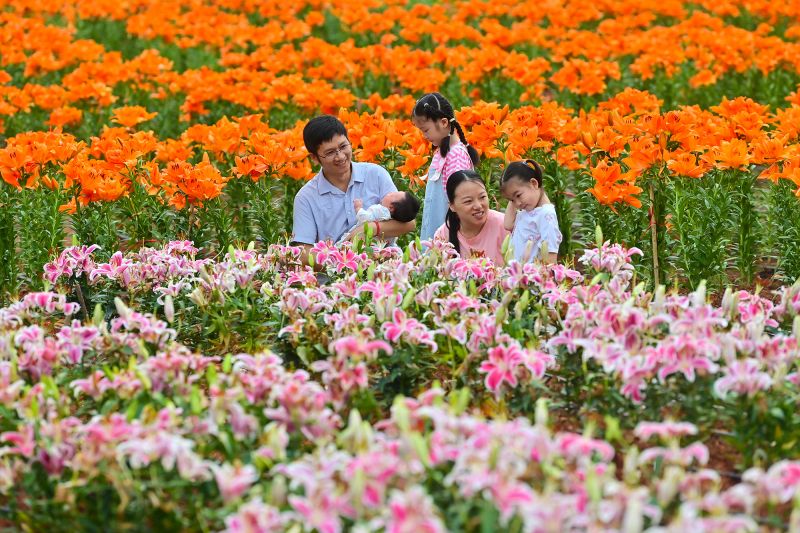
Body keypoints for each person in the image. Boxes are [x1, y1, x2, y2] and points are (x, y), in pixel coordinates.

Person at [291, 115, 416, 262]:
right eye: (330, 152)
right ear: (314, 158)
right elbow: (303, 253)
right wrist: (342, 259)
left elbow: (408, 223)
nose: (340, 156)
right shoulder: (305, 198)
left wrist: (367, 229)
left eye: (343, 146)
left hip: (383, 269)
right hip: (335, 278)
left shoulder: (376, 174)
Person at [411, 93, 480, 241]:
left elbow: (461, 200)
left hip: (450, 233)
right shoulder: (444, 151)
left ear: (443, 123)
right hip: (439, 227)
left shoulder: (456, 156)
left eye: (426, 130)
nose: (424, 135)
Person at [434, 170, 509, 265]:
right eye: (468, 201)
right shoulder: (443, 236)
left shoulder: (505, 226)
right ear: (452, 206)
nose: (478, 206)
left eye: (482, 197)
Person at [501, 160, 561, 264]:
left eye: (518, 195)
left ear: (534, 183)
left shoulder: (546, 214)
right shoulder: (527, 210)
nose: (517, 203)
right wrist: (513, 194)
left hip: (532, 277)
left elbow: (551, 252)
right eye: (512, 200)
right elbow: (507, 224)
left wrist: (546, 278)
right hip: (519, 274)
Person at [336, 191, 420, 244]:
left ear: (391, 207)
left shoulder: (379, 210)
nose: (389, 192)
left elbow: (365, 218)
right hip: (377, 245)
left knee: (341, 244)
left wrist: (358, 208)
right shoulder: (395, 219)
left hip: (361, 241)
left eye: (392, 194)